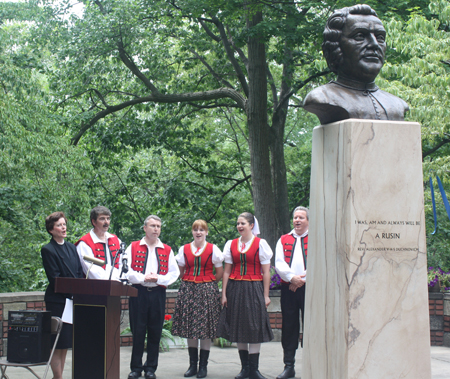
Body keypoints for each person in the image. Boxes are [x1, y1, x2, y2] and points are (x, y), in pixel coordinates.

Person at [303, 4, 409, 124]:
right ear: (335, 46)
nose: (374, 44)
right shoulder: (322, 97)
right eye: (360, 36)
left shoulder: (397, 104)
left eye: (379, 37)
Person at [217, 212, 274, 379]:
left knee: (254, 327)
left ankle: (254, 370)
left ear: (251, 225)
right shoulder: (231, 244)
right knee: (238, 326)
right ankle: (244, 369)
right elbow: (227, 271)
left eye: (243, 223)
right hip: (235, 288)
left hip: (254, 287)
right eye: (238, 223)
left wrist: (266, 295)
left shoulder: (260, 244)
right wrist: (224, 293)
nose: (239, 226)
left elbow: (266, 272)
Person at [123, 215, 180, 379]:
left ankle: (150, 369)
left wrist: (159, 279)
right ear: (145, 228)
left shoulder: (167, 249)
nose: (156, 229)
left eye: (158, 226)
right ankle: (135, 368)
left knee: (155, 332)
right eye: (153, 226)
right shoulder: (133, 247)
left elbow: (174, 273)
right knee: (138, 331)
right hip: (138, 293)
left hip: (157, 294)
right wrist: (142, 278)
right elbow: (125, 269)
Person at [171, 220, 224, 378]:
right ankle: (192, 365)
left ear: (207, 232)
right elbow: (180, 271)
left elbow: (219, 272)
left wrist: (209, 282)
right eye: (195, 230)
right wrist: (189, 281)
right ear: (192, 232)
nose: (198, 232)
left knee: (206, 329)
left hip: (207, 290)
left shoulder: (213, 249)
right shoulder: (184, 249)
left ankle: (203, 367)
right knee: (190, 328)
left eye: (202, 230)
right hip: (188, 289)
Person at [41, 212, 84, 379]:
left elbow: (79, 271)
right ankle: (58, 377)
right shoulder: (48, 249)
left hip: (72, 299)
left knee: (65, 342)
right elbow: (54, 277)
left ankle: (58, 376)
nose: (63, 227)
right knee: (56, 341)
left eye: (64, 224)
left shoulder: (71, 247)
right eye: (59, 225)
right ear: (51, 230)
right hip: (57, 300)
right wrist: (72, 289)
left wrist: (79, 288)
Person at [274, 206, 309, 379]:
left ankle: (312, 365)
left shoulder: (316, 238)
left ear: (308, 220)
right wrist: (292, 278)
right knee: (289, 326)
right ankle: (289, 366)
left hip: (310, 288)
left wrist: (303, 280)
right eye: (295, 217)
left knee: (311, 326)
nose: (297, 220)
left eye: (301, 217)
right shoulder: (283, 239)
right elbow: (279, 263)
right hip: (289, 288)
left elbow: (319, 261)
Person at [75, 206, 122, 280]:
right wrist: (115, 279)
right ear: (94, 222)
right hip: (95, 288)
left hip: (117, 285)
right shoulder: (84, 243)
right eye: (102, 219)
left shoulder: (116, 240)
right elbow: (92, 271)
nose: (106, 222)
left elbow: (122, 263)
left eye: (108, 218)